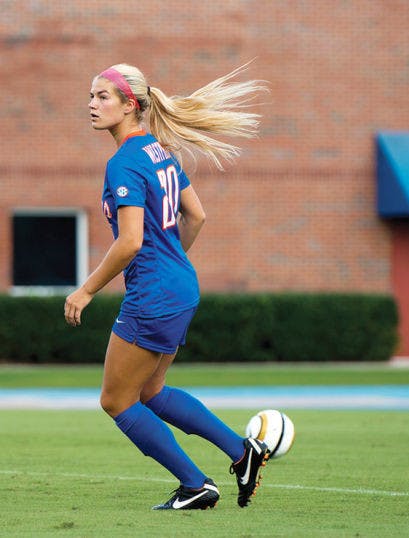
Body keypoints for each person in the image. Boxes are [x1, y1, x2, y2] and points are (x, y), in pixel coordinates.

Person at [64, 63, 270, 510]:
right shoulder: (160, 151)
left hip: (156, 293)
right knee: (152, 392)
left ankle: (196, 485)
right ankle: (243, 452)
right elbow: (197, 216)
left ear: (129, 105)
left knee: (116, 401)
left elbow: (130, 242)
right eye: (91, 96)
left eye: (102, 97)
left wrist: (86, 290)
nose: (92, 104)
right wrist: (173, 263)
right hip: (179, 287)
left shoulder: (124, 162)